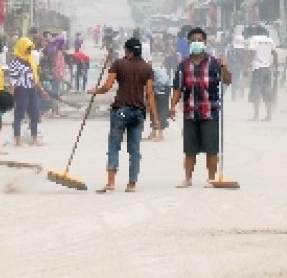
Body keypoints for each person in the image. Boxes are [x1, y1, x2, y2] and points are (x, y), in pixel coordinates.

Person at [89, 38, 159, 193]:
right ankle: (132, 184)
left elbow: (107, 87)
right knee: (134, 149)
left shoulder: (119, 64)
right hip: (138, 112)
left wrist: (95, 90)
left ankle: (111, 182)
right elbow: (150, 94)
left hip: (120, 109)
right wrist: (155, 118)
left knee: (114, 146)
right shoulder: (147, 68)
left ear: (128, 51)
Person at [170, 27, 232, 187]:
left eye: (200, 40)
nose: (197, 43)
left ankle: (211, 178)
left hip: (210, 112)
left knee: (211, 148)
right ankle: (187, 179)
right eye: (194, 41)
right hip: (190, 112)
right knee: (189, 149)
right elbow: (177, 88)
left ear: (205, 43)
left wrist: (225, 67)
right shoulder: (183, 66)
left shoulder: (214, 63)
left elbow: (227, 80)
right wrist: (172, 106)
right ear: (189, 43)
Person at [8, 37, 47, 147]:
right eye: (27, 49)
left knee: (35, 114)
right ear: (21, 48)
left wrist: (41, 90)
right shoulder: (15, 63)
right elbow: (13, 81)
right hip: (21, 90)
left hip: (31, 90)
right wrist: (10, 96)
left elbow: (35, 77)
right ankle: (18, 140)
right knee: (19, 115)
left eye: (30, 49)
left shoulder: (31, 59)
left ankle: (35, 139)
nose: (29, 51)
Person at [245, 24, 278, 121]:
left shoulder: (254, 39)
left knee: (255, 92)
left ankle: (256, 115)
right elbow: (275, 54)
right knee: (267, 91)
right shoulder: (270, 40)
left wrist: (247, 67)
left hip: (257, 68)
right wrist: (276, 68)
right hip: (267, 69)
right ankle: (269, 115)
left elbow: (252, 53)